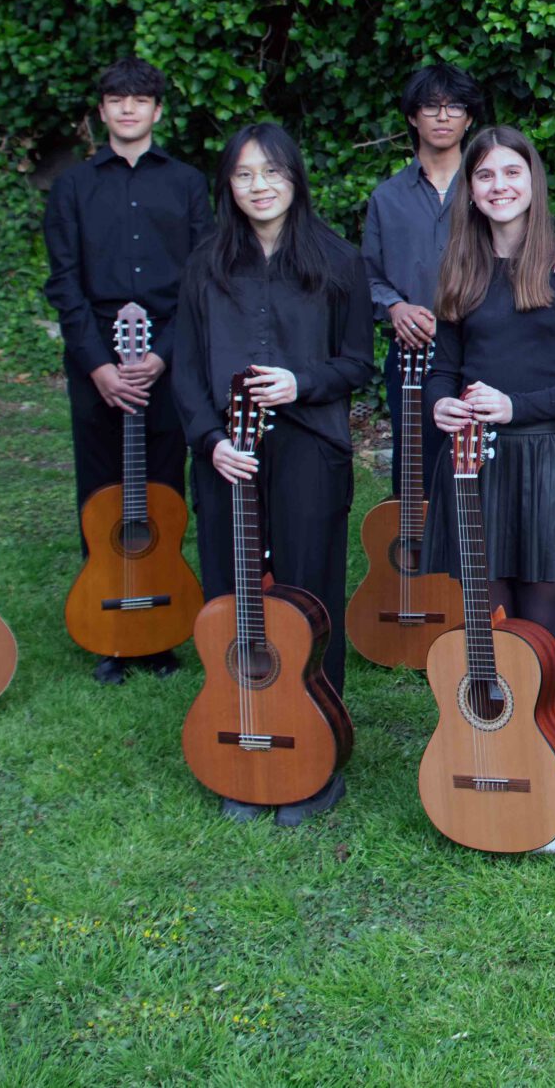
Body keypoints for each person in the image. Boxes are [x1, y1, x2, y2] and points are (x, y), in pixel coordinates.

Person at [174, 123, 375, 827]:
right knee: (232, 604)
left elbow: (358, 363)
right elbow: (187, 367)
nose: (259, 185)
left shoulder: (340, 260)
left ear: (295, 177)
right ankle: (242, 741)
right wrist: (207, 440)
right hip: (225, 454)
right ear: (227, 185)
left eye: (271, 172)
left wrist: (301, 381)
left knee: (308, 599)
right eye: (243, 174)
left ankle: (317, 750)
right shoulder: (204, 264)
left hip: (308, 446)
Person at [428, 125, 555, 853]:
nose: (499, 185)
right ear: (468, 189)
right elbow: (443, 367)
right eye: (484, 176)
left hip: (539, 464)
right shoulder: (460, 272)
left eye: (511, 172)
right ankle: (487, 758)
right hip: (471, 464)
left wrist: (514, 406)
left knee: (543, 630)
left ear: (533, 181)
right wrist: (442, 403)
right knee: (488, 623)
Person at [42, 57, 214, 682]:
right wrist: (97, 366)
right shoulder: (72, 187)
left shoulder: (188, 184)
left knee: (164, 490)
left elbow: (202, 276)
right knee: (100, 491)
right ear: (102, 109)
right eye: (116, 98)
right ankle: (110, 626)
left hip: (170, 355)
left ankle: (161, 624)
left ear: (157, 110)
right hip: (99, 360)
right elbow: (64, 282)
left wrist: (163, 354)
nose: (128, 109)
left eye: (140, 99)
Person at [361, 63, 479, 568]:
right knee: (416, 470)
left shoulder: (488, 187)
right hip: (413, 357)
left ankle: (476, 579)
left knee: (477, 470)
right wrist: (394, 305)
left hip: (481, 352)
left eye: (453, 106)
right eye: (431, 106)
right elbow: (365, 274)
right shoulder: (387, 198)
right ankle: (418, 576)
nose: (442, 116)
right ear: (412, 117)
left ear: (469, 118)